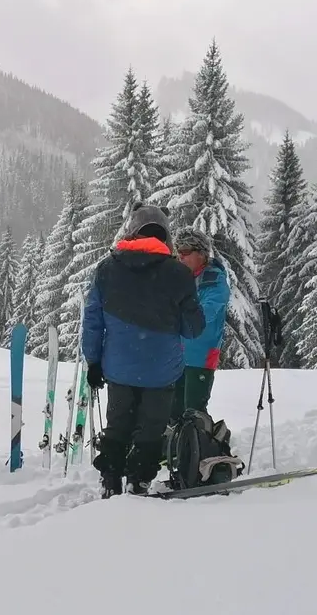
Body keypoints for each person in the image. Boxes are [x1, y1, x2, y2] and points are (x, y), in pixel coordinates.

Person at [82, 204, 205, 497]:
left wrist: (93, 362)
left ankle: (110, 478)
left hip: (118, 369)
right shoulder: (178, 274)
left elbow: (92, 321)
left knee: (118, 425)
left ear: (132, 231)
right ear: (165, 236)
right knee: (151, 430)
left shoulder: (107, 269)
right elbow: (193, 329)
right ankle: (139, 481)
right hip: (160, 372)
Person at [172, 226, 230, 418]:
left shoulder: (214, 280)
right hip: (176, 356)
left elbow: (205, 313)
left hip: (200, 357)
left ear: (201, 253)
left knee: (194, 410)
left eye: (186, 252)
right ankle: (175, 447)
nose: (181, 256)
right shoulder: (182, 278)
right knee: (173, 411)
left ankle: (199, 446)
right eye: (178, 251)